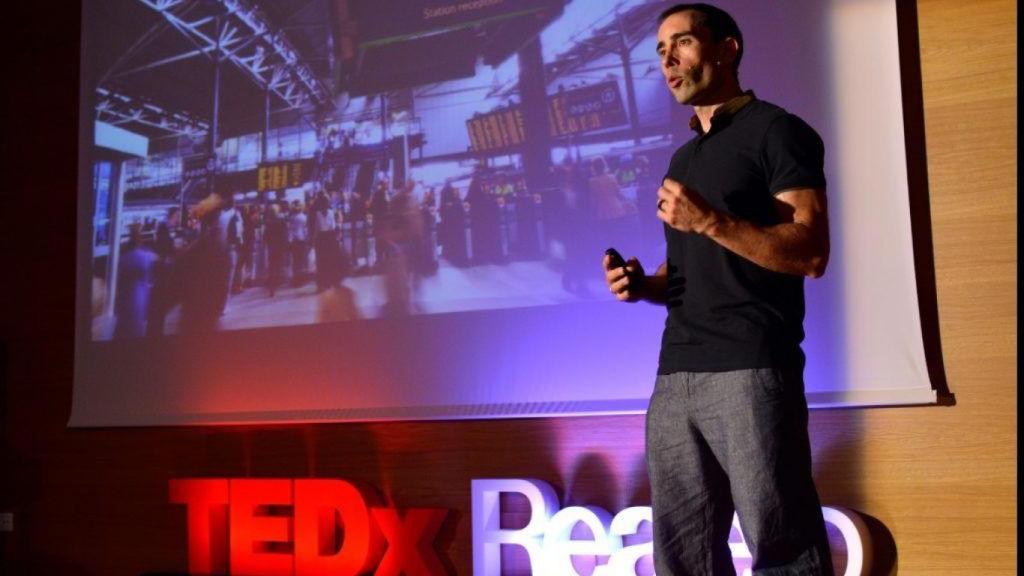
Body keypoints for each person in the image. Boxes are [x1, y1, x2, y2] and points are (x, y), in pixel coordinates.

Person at [602, 4, 834, 575]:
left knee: (782, 547)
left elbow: (809, 251)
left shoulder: (778, 131)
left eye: (681, 44)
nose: (668, 61)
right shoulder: (685, 155)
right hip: (675, 373)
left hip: (751, 367)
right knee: (681, 558)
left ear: (727, 48)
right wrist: (645, 285)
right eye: (660, 52)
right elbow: (693, 268)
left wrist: (709, 222)